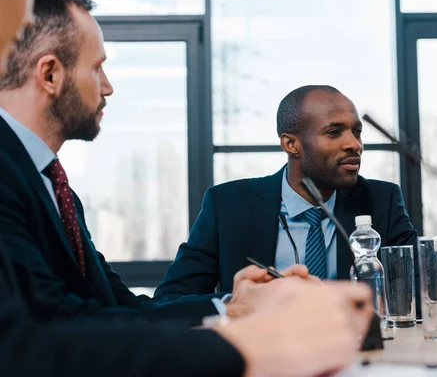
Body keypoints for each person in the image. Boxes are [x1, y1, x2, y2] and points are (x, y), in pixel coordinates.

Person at [0, 0, 374, 376]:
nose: (108, 86)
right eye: (97, 67)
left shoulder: (56, 189)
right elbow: (30, 341)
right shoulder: (9, 176)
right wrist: (248, 345)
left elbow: (114, 308)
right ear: (50, 74)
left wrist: (230, 306)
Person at [156, 85, 419, 309]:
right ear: (291, 144)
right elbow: (170, 299)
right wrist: (237, 303)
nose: (354, 144)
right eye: (334, 132)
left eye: (356, 132)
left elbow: (421, 289)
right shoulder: (227, 205)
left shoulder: (381, 200)